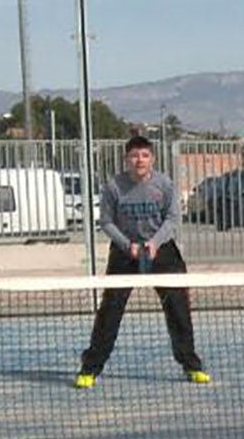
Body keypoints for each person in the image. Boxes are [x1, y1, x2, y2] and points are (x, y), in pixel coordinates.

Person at [75, 134, 211, 387]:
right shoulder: (115, 186)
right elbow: (106, 221)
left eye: (145, 155)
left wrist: (155, 243)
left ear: (152, 159)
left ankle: (191, 365)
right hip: (125, 254)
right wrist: (129, 246)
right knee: (110, 310)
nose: (140, 160)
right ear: (127, 159)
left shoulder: (165, 184)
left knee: (178, 308)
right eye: (134, 155)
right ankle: (90, 368)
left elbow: (172, 219)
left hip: (162, 251)